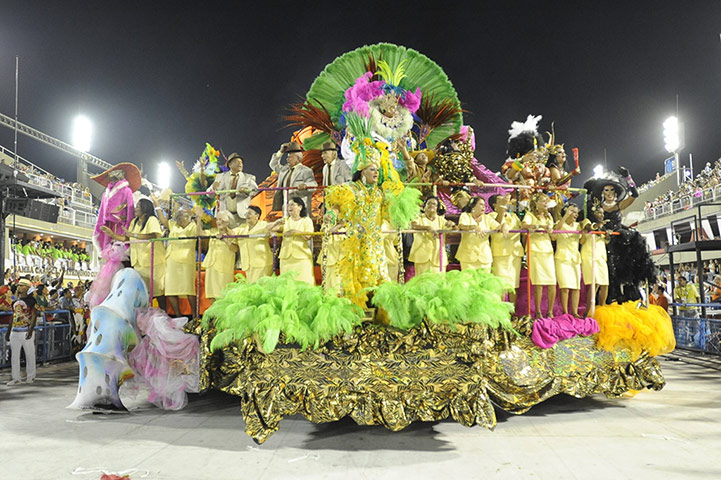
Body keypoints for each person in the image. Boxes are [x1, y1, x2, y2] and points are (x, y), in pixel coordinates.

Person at [583, 166, 656, 303]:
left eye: (612, 190)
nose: (609, 193)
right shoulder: (596, 208)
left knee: (622, 270)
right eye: (606, 190)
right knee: (606, 273)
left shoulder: (619, 206)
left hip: (619, 243)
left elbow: (635, 194)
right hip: (602, 243)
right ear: (602, 193)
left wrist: (628, 177)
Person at [101, 198, 166, 308]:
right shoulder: (134, 222)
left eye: (138, 206)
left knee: (158, 293)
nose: (135, 208)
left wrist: (133, 235)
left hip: (153, 262)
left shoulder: (152, 220)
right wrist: (112, 234)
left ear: (145, 208)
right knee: (142, 293)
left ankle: (165, 314)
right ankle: (145, 317)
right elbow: (126, 237)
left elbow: (154, 235)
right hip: (138, 263)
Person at [156, 202, 201, 317]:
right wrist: (157, 204)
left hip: (186, 261)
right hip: (171, 260)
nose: (180, 218)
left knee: (188, 289)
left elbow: (201, 233)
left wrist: (199, 218)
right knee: (170, 289)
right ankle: (178, 316)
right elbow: (163, 220)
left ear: (189, 216)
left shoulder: (193, 226)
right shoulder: (173, 225)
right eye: (179, 215)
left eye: (184, 215)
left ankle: (195, 316)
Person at [91, 162, 141, 252]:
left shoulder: (127, 191)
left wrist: (129, 227)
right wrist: (99, 225)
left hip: (120, 225)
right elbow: (102, 211)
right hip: (108, 224)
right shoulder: (106, 193)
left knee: (120, 250)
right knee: (108, 249)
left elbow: (130, 211)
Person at [522, 193, 557, 318]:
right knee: (539, 282)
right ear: (536, 203)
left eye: (546, 201)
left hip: (547, 250)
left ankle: (550, 311)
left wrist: (552, 231)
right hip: (535, 250)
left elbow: (553, 236)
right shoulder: (530, 215)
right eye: (542, 201)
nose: (545, 204)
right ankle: (537, 311)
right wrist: (539, 226)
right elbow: (524, 225)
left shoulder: (549, 217)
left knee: (552, 281)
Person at [271, 197, 315, 286]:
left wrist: (294, 231)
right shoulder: (285, 220)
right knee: (286, 284)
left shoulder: (306, 220)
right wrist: (276, 223)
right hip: (286, 257)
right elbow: (270, 229)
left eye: (292, 204)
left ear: (300, 207)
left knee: (304, 282)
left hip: (302, 257)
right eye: (288, 205)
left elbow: (308, 236)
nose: (289, 207)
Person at [490, 193, 523, 303]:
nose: (505, 202)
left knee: (513, 284)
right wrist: (503, 207)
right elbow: (497, 223)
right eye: (501, 201)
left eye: (505, 201)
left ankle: (511, 313)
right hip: (500, 253)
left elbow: (522, 229)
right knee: (501, 285)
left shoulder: (513, 216)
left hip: (515, 253)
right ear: (495, 205)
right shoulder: (490, 216)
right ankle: (501, 312)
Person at [210, 152, 258, 228]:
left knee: (241, 238)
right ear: (230, 165)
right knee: (226, 237)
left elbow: (255, 190)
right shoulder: (220, 177)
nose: (240, 164)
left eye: (241, 162)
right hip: (225, 216)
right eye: (236, 162)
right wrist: (213, 188)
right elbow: (209, 194)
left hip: (242, 215)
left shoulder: (248, 177)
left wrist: (247, 190)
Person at [409, 196, 454, 275]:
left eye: (434, 204)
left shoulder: (441, 220)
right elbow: (413, 226)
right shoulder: (418, 218)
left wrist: (452, 224)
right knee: (421, 282)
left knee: (438, 282)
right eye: (428, 203)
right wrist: (428, 228)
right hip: (422, 256)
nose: (431, 205)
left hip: (437, 257)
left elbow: (453, 230)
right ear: (424, 207)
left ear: (437, 208)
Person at [269, 141, 318, 215]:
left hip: (300, 208)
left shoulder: (305, 170)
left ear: (298, 158)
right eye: (287, 157)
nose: (287, 159)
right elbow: (273, 164)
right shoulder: (284, 170)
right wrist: (281, 151)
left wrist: (305, 185)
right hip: (286, 207)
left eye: (290, 157)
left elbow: (314, 184)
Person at [580, 200, 610, 315]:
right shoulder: (586, 221)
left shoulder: (603, 226)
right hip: (589, 255)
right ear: (593, 213)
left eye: (602, 213)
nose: (601, 215)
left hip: (601, 256)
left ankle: (601, 309)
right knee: (594, 284)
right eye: (599, 213)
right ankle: (588, 312)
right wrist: (600, 225)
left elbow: (606, 241)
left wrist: (607, 235)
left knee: (604, 284)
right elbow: (590, 227)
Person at [201, 211, 239, 303]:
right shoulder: (213, 231)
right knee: (211, 295)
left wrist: (225, 240)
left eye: (221, 220)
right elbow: (200, 233)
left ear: (228, 221)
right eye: (217, 219)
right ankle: (215, 316)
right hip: (211, 266)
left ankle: (223, 317)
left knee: (222, 295)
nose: (219, 222)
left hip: (224, 267)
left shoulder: (232, 233)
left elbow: (235, 249)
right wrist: (199, 218)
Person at [456, 197, 501, 272]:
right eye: (481, 204)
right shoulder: (465, 215)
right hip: (467, 256)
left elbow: (498, 226)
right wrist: (473, 227)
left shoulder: (487, 218)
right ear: (473, 206)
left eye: (484, 205)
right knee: (468, 281)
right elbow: (461, 226)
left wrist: (504, 226)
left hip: (484, 256)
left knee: (484, 281)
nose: (484, 207)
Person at [5, 278, 37, 385]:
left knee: (29, 354)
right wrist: (8, 332)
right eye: (18, 285)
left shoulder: (32, 301)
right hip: (15, 331)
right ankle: (16, 377)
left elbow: (33, 316)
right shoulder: (14, 302)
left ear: (27, 288)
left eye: (22, 286)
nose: (19, 287)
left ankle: (31, 375)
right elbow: (13, 317)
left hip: (26, 330)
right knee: (15, 355)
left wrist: (30, 330)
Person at [554, 204, 582, 316]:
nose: (575, 214)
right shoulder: (559, 223)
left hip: (574, 258)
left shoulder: (577, 226)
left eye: (576, 212)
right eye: (572, 211)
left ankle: (575, 312)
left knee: (576, 287)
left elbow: (582, 240)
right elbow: (555, 231)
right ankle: (565, 312)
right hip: (562, 258)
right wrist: (565, 216)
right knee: (565, 287)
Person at [236, 206, 274, 283]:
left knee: (262, 288)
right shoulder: (242, 227)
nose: (247, 215)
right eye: (246, 213)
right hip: (248, 264)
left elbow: (274, 227)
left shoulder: (263, 225)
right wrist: (224, 228)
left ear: (257, 215)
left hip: (262, 263)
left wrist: (277, 223)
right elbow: (232, 233)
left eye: (249, 213)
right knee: (252, 289)